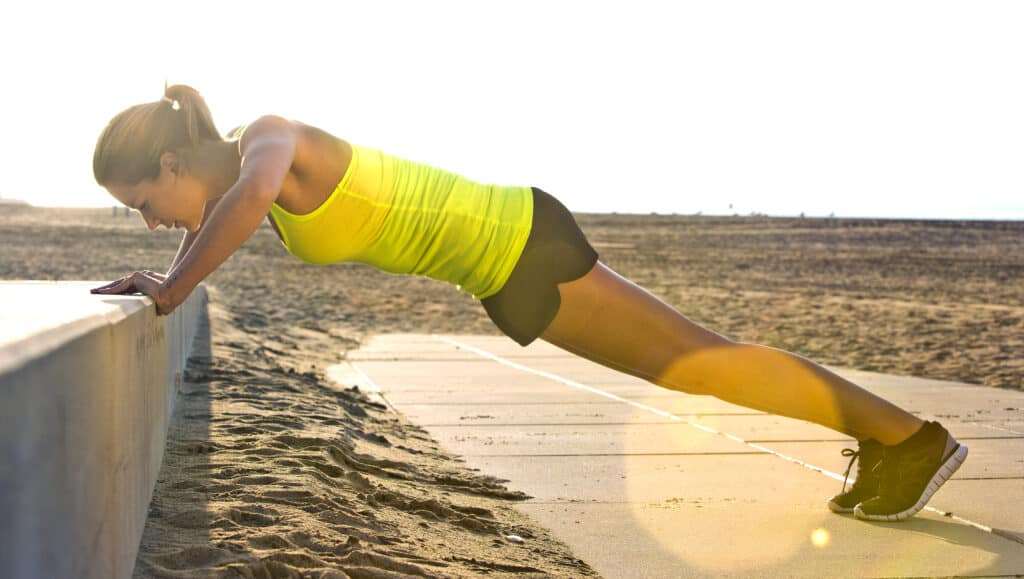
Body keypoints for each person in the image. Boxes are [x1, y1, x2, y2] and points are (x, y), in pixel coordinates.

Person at [90, 83, 967, 522]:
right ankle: (891, 441)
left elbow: (241, 203)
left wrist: (172, 286)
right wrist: (165, 275)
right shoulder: (247, 173)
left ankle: (909, 440)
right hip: (506, 267)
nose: (149, 221)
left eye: (141, 202)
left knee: (703, 360)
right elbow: (224, 214)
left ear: (171, 164)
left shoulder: (269, 139)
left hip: (522, 242)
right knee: (697, 366)